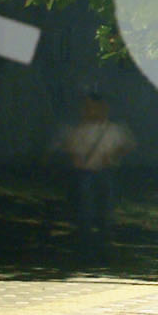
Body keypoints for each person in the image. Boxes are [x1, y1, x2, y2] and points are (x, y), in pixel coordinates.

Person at [55, 93, 135, 248]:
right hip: (85, 173)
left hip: (103, 172)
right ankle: (88, 236)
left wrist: (112, 156)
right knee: (86, 206)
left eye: (92, 107)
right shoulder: (79, 129)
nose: (88, 110)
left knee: (103, 206)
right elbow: (69, 148)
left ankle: (100, 235)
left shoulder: (113, 129)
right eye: (86, 107)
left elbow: (127, 145)